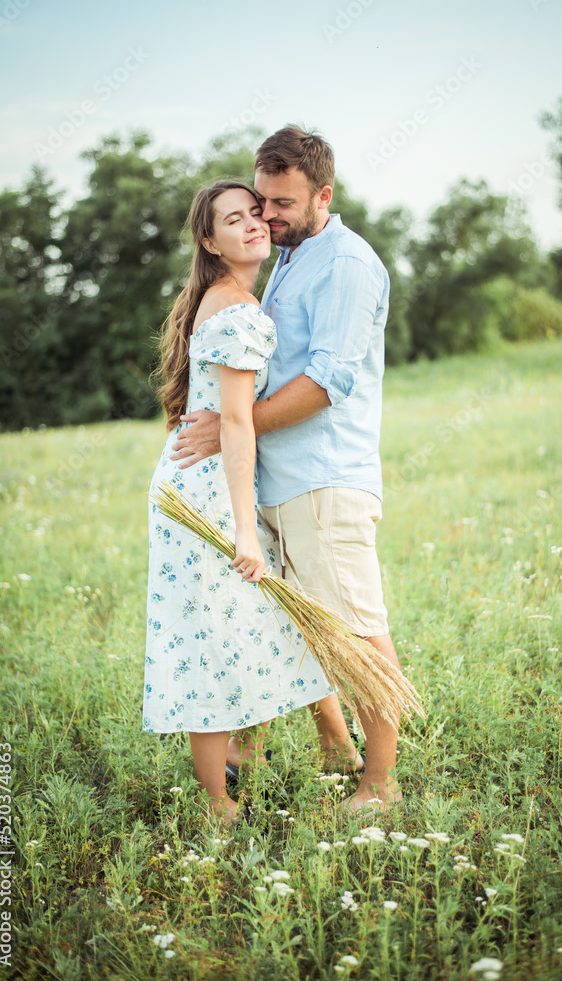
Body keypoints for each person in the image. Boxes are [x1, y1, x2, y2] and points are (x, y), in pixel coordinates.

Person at [171, 126, 404, 810]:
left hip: (324, 481)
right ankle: (331, 745)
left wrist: (227, 428)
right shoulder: (294, 256)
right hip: (284, 481)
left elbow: (328, 381)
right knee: (303, 628)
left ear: (322, 194)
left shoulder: (346, 264)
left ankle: (381, 785)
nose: (267, 216)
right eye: (261, 202)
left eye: (281, 204)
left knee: (359, 633)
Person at [143, 179, 334, 826]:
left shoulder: (231, 301)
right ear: (209, 239)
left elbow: (230, 418)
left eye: (256, 213)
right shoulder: (237, 312)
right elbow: (233, 423)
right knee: (210, 642)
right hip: (208, 497)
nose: (254, 224)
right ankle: (218, 807)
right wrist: (245, 533)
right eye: (234, 219)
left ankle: (243, 759)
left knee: (246, 629)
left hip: (201, 485)